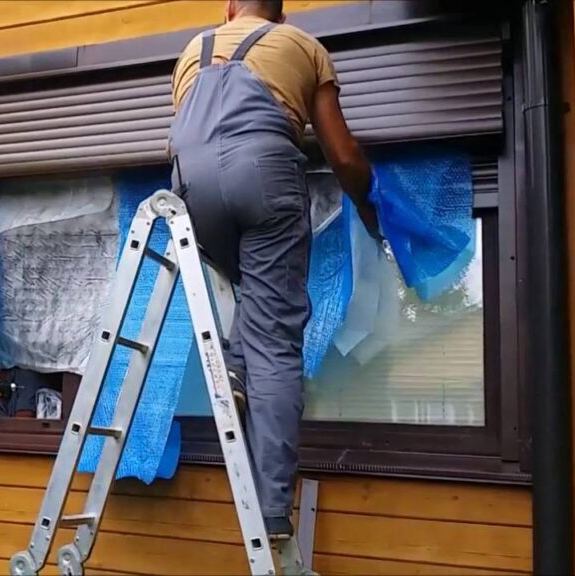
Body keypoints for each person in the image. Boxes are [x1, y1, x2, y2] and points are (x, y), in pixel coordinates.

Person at [168, 0, 381, 543]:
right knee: (277, 338)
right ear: (279, 16)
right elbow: (343, 154)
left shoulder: (193, 50)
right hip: (262, 175)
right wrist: (368, 203)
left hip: (188, 192)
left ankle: (236, 367)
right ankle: (271, 509)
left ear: (229, 8)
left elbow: (193, 134)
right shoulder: (304, 46)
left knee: (254, 296)